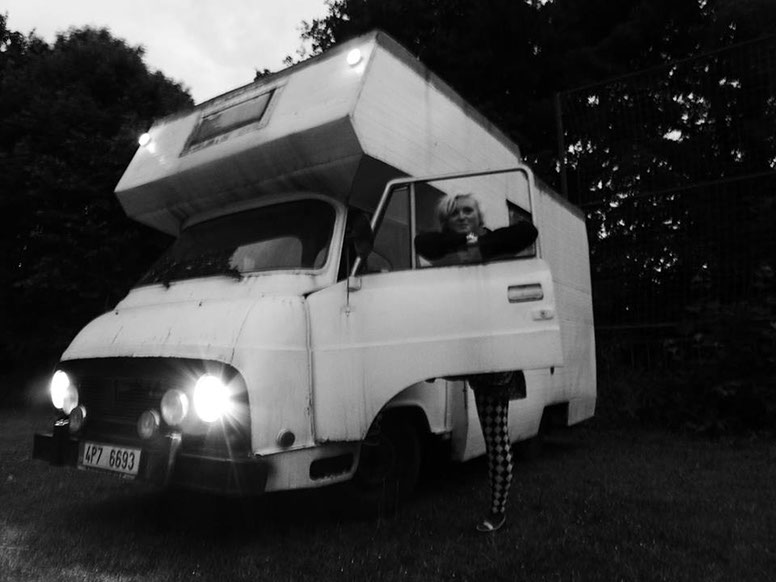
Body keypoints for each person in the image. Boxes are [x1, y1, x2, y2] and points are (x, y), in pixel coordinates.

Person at [414, 193, 538, 533]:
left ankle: (497, 510)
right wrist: (463, 242)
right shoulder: (444, 247)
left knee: (495, 436)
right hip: (461, 347)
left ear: (478, 214)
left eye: (467, 210)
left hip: (492, 353)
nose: (461, 216)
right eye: (454, 213)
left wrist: (478, 242)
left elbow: (528, 232)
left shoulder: (493, 241)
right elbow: (423, 242)